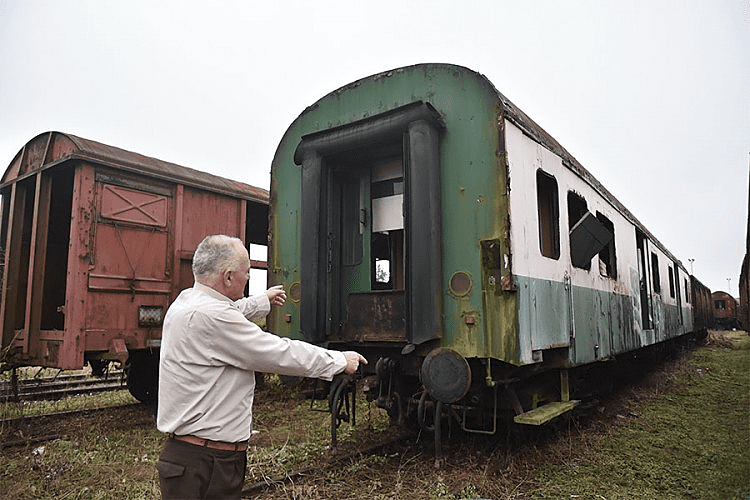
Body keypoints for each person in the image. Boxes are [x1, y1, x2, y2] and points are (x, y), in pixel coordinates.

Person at [156, 234, 366, 499]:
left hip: (190, 458)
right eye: (246, 273)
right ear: (228, 277)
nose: (248, 278)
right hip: (208, 463)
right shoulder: (214, 317)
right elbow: (279, 353)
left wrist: (261, 301)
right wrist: (337, 360)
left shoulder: (187, 302)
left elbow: (228, 310)